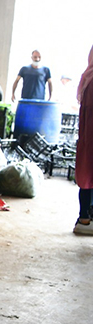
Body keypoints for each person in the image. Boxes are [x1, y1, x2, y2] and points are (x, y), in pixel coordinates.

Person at [74, 45, 93, 235]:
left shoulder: (87, 78)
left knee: (87, 178)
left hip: (87, 139)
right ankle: (87, 219)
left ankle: (84, 217)